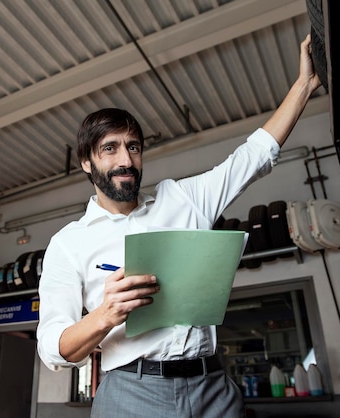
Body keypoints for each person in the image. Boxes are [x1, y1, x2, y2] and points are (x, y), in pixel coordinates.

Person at [36, 35, 321, 417]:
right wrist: (105, 314)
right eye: (110, 148)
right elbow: (55, 347)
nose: (126, 159)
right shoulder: (68, 244)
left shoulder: (182, 200)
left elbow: (252, 158)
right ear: (86, 162)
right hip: (130, 394)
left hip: (213, 388)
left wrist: (304, 85)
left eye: (133, 147)